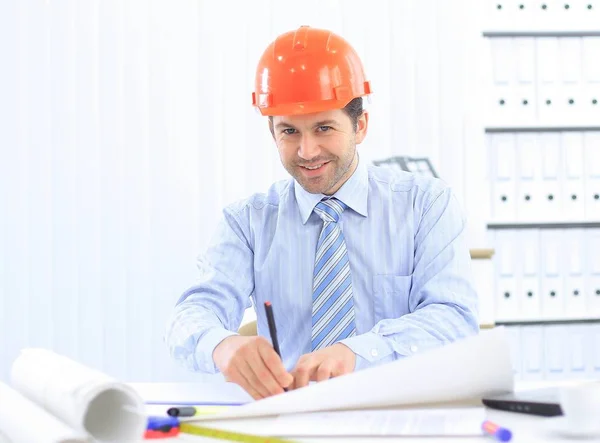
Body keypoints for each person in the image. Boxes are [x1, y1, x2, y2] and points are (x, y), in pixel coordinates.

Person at [165, 25, 479, 400]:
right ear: (272, 133)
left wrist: (357, 352)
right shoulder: (247, 222)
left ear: (360, 125)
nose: (307, 151)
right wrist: (222, 345)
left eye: (324, 127)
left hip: (401, 412)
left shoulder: (426, 204)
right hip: (294, 415)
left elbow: (455, 320)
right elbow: (191, 314)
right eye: (289, 132)